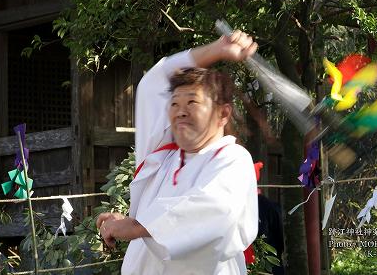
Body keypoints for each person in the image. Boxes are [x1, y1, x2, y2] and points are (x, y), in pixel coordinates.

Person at [96, 30, 259, 274]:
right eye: (174, 104)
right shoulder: (159, 158)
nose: (180, 111)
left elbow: (214, 209)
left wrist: (137, 226)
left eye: (192, 102)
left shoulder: (232, 159)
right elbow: (154, 84)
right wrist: (217, 49)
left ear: (223, 114)